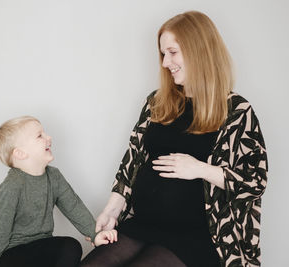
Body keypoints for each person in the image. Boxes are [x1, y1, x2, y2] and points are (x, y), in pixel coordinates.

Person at [80, 10, 267, 267]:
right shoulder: (157, 102)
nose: (165, 62)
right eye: (163, 54)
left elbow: (255, 182)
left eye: (172, 52)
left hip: (199, 236)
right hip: (145, 225)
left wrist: (199, 169)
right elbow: (132, 162)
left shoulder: (235, 110)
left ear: (198, 51)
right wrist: (111, 211)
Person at [0, 116, 117, 267]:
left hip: (43, 247)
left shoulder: (54, 176)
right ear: (20, 153)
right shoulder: (12, 186)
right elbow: (0, 229)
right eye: (40, 136)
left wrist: (95, 233)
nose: (49, 137)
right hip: (14, 255)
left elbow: (73, 206)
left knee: (71, 246)